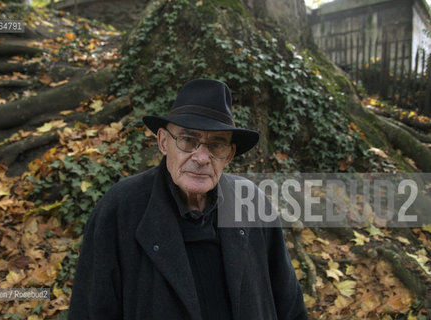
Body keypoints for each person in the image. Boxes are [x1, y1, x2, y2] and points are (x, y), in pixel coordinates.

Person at [68, 78, 308, 319]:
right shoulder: (120, 209)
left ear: (230, 155)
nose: (202, 157)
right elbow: (90, 311)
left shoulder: (251, 202)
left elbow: (289, 304)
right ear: (163, 142)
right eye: (188, 140)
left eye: (217, 145)